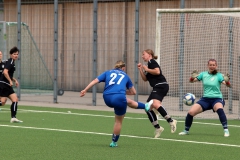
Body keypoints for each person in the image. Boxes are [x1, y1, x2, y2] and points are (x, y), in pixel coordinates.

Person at [80, 60, 153, 147]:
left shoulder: (107, 72)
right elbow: (133, 92)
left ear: (115, 67)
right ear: (123, 68)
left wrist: (85, 90)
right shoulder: (125, 75)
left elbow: (95, 81)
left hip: (107, 98)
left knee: (127, 100)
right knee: (118, 121)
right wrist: (121, 92)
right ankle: (114, 142)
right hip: (119, 98)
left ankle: (145, 106)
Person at [179, 59, 231, 137]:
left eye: (214, 65)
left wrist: (227, 81)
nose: (212, 66)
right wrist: (192, 77)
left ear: (216, 66)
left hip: (217, 99)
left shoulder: (219, 75)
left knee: (220, 109)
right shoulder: (203, 74)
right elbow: (191, 81)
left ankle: (226, 130)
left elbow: (228, 85)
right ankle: (186, 130)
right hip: (205, 99)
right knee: (190, 112)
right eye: (210, 65)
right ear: (208, 65)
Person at [137, 49, 177, 138]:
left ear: (149, 54)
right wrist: (141, 70)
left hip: (161, 85)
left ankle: (171, 121)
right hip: (157, 87)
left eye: (144, 54)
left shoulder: (151, 61)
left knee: (155, 104)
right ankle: (158, 128)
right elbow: (145, 79)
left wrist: (146, 68)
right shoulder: (148, 65)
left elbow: (157, 71)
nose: (142, 56)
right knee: (147, 107)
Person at [0, 47, 22, 123]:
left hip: (7, 84)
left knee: (15, 100)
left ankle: (13, 118)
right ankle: (13, 117)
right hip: (4, 84)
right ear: (11, 54)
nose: (16, 55)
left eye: (17, 54)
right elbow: (5, 72)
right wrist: (10, 81)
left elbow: (8, 74)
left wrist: (14, 80)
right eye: (14, 54)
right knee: (2, 102)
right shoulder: (10, 62)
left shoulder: (11, 62)